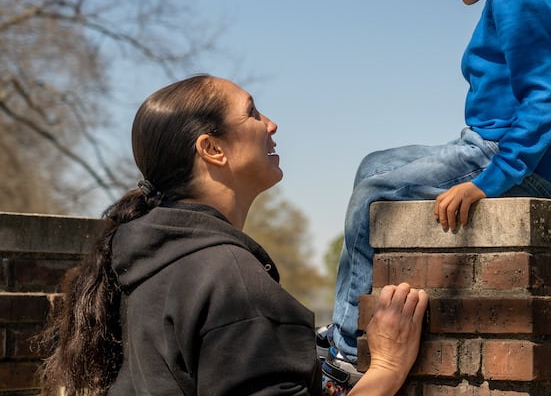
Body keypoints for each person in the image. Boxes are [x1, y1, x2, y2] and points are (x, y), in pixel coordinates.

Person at [322, 0, 551, 377]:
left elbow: (544, 102)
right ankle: (348, 321)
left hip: (508, 160)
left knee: (373, 194)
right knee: (374, 163)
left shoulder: (520, 1)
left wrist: (486, 184)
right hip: (483, 146)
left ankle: (348, 350)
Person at [37, 74, 428, 396]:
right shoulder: (230, 281)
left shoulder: (143, 265)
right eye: (252, 112)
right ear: (212, 149)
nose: (271, 124)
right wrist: (387, 369)